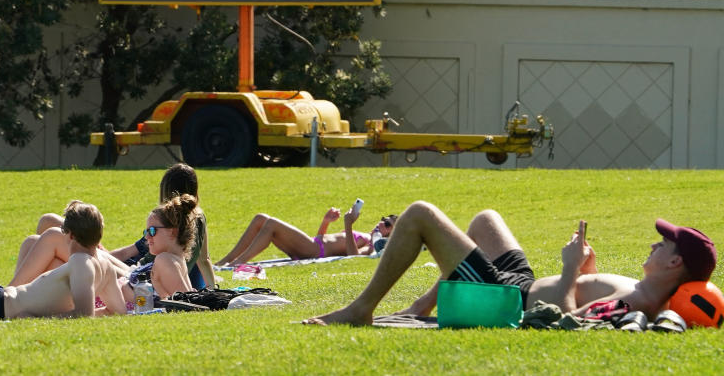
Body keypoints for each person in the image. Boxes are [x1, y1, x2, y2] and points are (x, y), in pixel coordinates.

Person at [305, 201, 717, 326]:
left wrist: (572, 267)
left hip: (510, 299)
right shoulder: (641, 289)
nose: (653, 243)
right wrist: (586, 269)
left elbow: (560, 318)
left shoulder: (639, 304)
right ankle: (420, 306)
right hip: (522, 280)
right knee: (486, 220)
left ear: (675, 262)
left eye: (662, 244)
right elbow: (583, 302)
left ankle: (361, 310)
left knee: (419, 215)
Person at [12, 163, 216, 289]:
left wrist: (95, 251)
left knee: (50, 231)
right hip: (129, 270)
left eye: (151, 232)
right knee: (38, 241)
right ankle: (15, 296)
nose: (150, 235)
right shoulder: (196, 218)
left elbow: (137, 262)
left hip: (131, 275)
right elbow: (203, 260)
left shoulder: (167, 224)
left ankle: (7, 296)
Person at [0, 201, 128, 320]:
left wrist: (36, 320)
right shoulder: (106, 267)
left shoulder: (80, 262)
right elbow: (118, 311)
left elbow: (83, 315)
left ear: (71, 236)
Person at [216, 207, 396, 267]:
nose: (381, 223)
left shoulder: (373, 245)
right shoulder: (364, 235)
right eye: (383, 219)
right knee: (260, 219)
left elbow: (353, 257)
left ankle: (237, 263)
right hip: (314, 245)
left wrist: (348, 225)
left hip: (313, 250)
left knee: (271, 224)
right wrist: (326, 222)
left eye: (387, 224)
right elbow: (323, 239)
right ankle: (225, 261)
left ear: (390, 233)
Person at [123, 194, 200, 301]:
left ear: (173, 232)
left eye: (152, 231)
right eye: (146, 231)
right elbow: (187, 301)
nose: (147, 236)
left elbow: (186, 305)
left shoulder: (166, 260)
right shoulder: (175, 260)